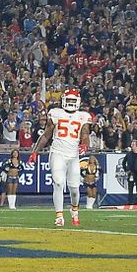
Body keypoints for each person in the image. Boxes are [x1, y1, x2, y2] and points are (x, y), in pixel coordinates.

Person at [29, 88, 91, 226]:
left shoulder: (83, 116)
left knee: (74, 188)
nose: (70, 102)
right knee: (58, 183)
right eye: (68, 100)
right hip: (57, 152)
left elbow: (85, 134)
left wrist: (85, 145)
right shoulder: (56, 113)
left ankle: (74, 210)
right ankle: (59, 216)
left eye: (72, 100)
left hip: (73, 155)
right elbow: (46, 135)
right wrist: (35, 152)